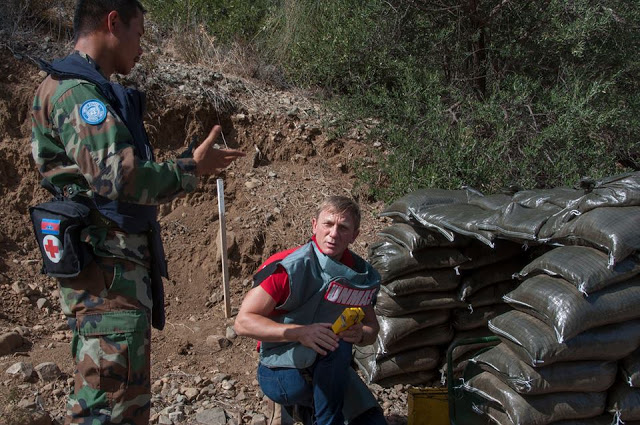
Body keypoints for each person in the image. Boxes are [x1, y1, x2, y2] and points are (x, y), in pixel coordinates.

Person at [30, 1, 245, 423]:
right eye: (140, 33)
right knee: (112, 410)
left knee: (117, 402)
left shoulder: (78, 88)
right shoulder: (77, 93)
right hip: (108, 276)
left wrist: (185, 165)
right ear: (113, 22)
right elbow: (118, 178)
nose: (142, 48)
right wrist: (190, 169)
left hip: (109, 275)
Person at [234, 196, 387, 425]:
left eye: (343, 227)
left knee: (372, 421)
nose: (333, 233)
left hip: (329, 368)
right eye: (328, 224)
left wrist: (361, 334)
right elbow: (243, 322)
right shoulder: (288, 267)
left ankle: (315, 413)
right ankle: (306, 411)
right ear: (314, 225)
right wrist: (300, 333)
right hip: (281, 365)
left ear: (354, 235)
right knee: (317, 397)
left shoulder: (356, 274)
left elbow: (371, 328)